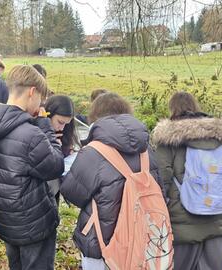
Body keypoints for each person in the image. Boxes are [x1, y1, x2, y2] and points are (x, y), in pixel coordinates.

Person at [0, 65, 64, 270]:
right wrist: (45, 126)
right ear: (32, 92)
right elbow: (56, 166)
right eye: (41, 97)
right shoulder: (30, 134)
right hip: (34, 223)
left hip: (6, 219)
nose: (41, 104)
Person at [60, 93, 165, 269]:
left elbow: (72, 193)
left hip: (102, 242)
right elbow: (160, 190)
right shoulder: (146, 150)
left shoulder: (94, 152)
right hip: (142, 237)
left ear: (95, 118)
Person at [152, 91, 222, 270]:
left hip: (183, 225)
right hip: (215, 218)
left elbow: (160, 182)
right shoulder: (218, 138)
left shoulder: (168, 140)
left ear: (172, 109)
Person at [43, 95, 79, 202]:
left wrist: (67, 152)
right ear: (49, 114)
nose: (62, 128)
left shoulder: (65, 130)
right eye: (60, 122)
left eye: (66, 124)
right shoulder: (35, 129)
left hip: (55, 186)